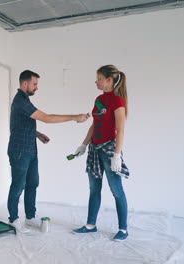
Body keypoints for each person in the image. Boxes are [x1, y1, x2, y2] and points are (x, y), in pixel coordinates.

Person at [7, 70, 89, 232]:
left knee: (33, 184)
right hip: (20, 152)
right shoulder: (20, 101)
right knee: (18, 185)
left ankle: (30, 217)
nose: (37, 88)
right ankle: (13, 219)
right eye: (35, 84)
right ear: (25, 84)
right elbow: (46, 117)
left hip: (31, 150)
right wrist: (74, 117)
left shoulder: (25, 101)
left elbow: (19, 123)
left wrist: (37, 134)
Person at [72, 65, 130, 241]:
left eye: (99, 78)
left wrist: (117, 155)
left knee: (116, 190)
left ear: (109, 80)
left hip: (109, 150)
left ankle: (123, 229)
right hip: (94, 150)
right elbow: (94, 125)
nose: (96, 81)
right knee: (94, 189)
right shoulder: (98, 99)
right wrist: (83, 145)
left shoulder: (118, 101)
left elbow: (120, 130)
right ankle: (91, 225)